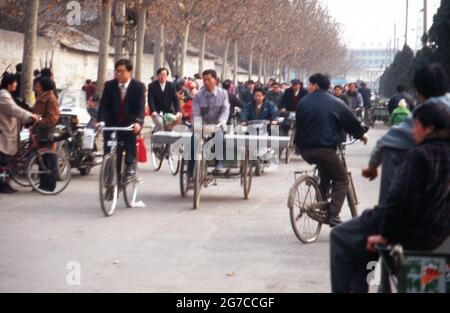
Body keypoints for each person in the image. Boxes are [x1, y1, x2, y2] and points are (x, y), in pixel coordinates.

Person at [330, 102, 450, 293]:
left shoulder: (419, 156)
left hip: (414, 231)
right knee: (365, 243)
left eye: (416, 125)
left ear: (429, 128)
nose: (412, 132)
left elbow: (401, 202)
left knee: (341, 236)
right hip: (438, 229)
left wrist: (386, 236)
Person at [362, 63, 450, 207]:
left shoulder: (429, 109)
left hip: (439, 167)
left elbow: (389, 139)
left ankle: (386, 216)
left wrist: (372, 166)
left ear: (418, 91)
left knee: (391, 151)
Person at [295, 73, 368, 226]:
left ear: (315, 85)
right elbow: (350, 122)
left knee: (326, 172)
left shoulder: (303, 102)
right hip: (324, 149)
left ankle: (321, 202)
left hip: (304, 149)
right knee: (342, 179)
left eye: (309, 84)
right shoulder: (335, 102)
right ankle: (333, 214)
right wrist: (361, 134)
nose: (308, 87)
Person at [97, 59, 145, 178]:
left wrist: (138, 122)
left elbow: (140, 107)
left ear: (129, 72)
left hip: (129, 122)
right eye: (117, 71)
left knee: (130, 138)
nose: (119, 74)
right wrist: (101, 121)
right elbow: (104, 105)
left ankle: (129, 164)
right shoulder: (109, 85)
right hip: (112, 122)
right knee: (110, 148)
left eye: (122, 72)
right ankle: (109, 178)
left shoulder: (138, 87)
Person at [187, 69, 230, 180]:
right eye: (204, 80)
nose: (206, 82)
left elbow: (225, 109)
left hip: (216, 125)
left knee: (219, 137)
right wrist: (198, 125)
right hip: (202, 125)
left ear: (215, 80)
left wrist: (221, 122)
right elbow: (195, 112)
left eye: (208, 79)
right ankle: (190, 173)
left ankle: (219, 163)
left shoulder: (223, 93)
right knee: (193, 144)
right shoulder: (198, 96)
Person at [0, 73, 38, 193]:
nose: (16, 84)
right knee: (4, 161)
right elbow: (13, 109)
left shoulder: (7, 95)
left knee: (8, 160)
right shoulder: (3, 95)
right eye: (14, 82)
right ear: (10, 84)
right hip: (4, 131)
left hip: (8, 130)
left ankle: (5, 183)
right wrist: (30, 115)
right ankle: (2, 184)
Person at [33, 77, 61, 192]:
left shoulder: (51, 99)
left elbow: (53, 117)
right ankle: (42, 184)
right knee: (42, 159)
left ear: (43, 87)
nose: (35, 88)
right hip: (40, 131)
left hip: (47, 131)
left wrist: (39, 121)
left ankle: (49, 185)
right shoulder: (41, 97)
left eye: (38, 86)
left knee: (49, 158)